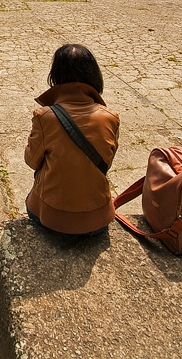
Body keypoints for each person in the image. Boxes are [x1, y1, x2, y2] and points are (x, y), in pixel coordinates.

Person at [24, 44, 119, 236]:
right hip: (98, 219)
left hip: (52, 219)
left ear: (55, 76)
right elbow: (106, 161)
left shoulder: (45, 117)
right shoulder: (110, 117)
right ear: (94, 75)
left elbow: (31, 161)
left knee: (32, 197)